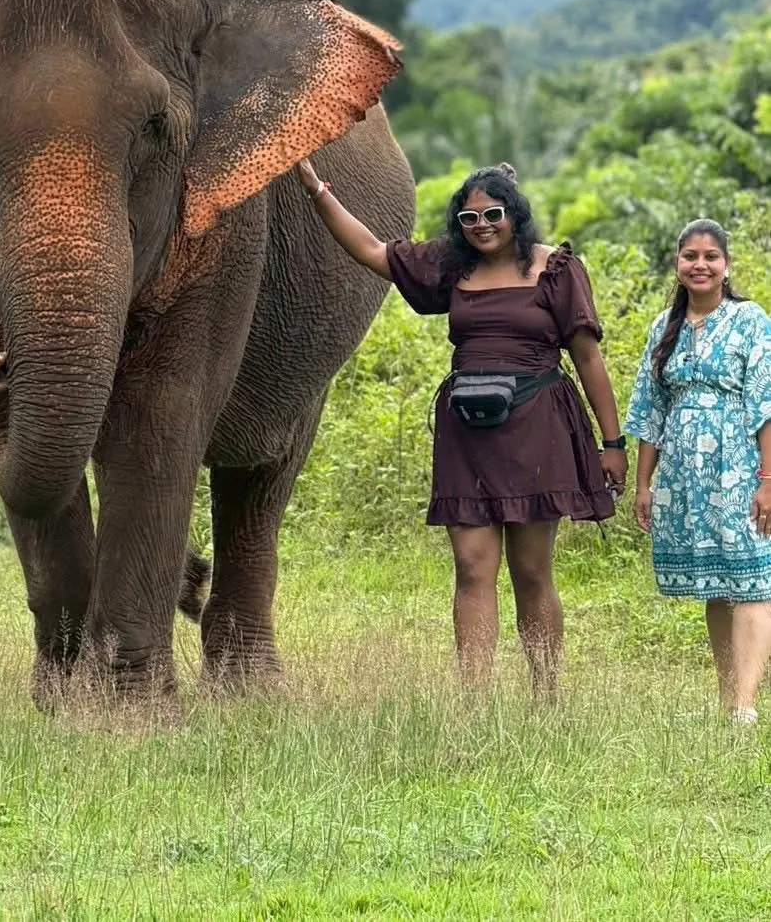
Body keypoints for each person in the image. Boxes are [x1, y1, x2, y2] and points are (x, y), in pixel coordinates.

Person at [294, 158, 625, 698]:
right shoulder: (452, 266)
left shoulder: (556, 269)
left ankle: (546, 696)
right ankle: (475, 703)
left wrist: (612, 444)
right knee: (472, 567)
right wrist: (318, 191)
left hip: (537, 427)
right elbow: (374, 252)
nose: (482, 226)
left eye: (493, 214)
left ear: (515, 215)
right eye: (469, 219)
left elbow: (588, 359)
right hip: (468, 434)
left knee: (532, 569)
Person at [625, 219, 771, 725]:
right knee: (715, 584)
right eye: (691, 256)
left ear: (726, 265)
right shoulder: (664, 325)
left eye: (711, 256)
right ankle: (727, 698)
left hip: (740, 466)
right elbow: (650, 410)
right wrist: (644, 483)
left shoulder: (750, 320)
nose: (700, 264)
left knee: (752, 579)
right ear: (678, 264)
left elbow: (765, 404)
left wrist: (767, 481)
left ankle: (746, 706)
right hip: (685, 474)